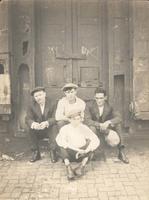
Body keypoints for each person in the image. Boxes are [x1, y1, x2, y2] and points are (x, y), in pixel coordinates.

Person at [84, 87, 129, 164]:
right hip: (95, 128)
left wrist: (108, 122)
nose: (99, 100)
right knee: (92, 127)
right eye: (97, 98)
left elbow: (119, 117)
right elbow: (87, 120)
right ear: (94, 97)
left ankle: (121, 151)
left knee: (117, 124)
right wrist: (99, 125)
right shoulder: (89, 105)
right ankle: (91, 152)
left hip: (107, 127)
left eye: (101, 98)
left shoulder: (110, 105)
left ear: (105, 97)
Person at [56, 109, 100, 180]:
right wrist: (77, 149)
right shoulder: (65, 129)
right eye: (74, 119)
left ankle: (81, 166)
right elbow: (61, 142)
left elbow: (95, 139)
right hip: (70, 152)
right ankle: (68, 168)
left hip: (82, 154)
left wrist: (85, 151)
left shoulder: (83, 127)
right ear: (69, 120)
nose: (77, 121)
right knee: (62, 146)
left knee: (91, 145)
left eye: (79, 119)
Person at [25, 86, 57, 163]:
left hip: (49, 128)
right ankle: (35, 152)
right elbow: (28, 118)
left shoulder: (53, 103)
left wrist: (47, 123)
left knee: (54, 127)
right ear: (34, 98)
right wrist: (33, 124)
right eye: (36, 96)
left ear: (45, 94)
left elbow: (56, 117)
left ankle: (53, 152)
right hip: (38, 129)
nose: (38, 98)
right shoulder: (31, 105)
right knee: (29, 128)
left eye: (40, 95)